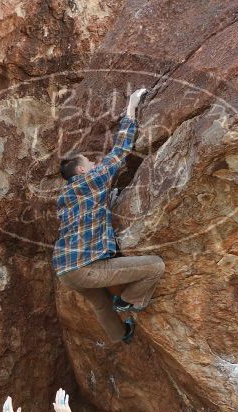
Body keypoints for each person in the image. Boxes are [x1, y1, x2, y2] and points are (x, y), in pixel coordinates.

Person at [54, 87, 165, 344]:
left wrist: (110, 198)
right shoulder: (91, 180)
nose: (95, 165)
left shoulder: (65, 197)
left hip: (65, 271)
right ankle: (128, 302)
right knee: (155, 267)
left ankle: (120, 335)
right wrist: (132, 105)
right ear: (82, 170)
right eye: (90, 163)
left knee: (100, 304)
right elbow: (120, 151)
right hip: (85, 268)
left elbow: (92, 214)